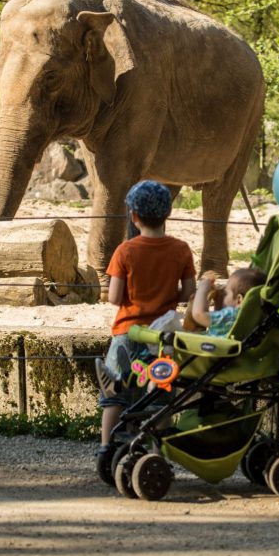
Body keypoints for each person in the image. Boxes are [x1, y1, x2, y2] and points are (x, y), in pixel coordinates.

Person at [96, 180, 196, 446]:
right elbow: (188, 293)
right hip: (162, 339)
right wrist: (168, 297)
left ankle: (107, 448)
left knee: (114, 394)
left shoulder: (125, 251)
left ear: (134, 215)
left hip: (127, 333)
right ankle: (157, 453)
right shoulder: (181, 250)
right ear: (168, 214)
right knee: (160, 396)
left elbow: (115, 297)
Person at [190, 267, 267, 337]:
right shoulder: (253, 315)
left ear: (239, 300)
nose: (224, 295)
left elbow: (199, 315)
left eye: (226, 293)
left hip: (212, 349)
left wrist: (202, 288)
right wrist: (218, 300)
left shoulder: (232, 314)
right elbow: (221, 325)